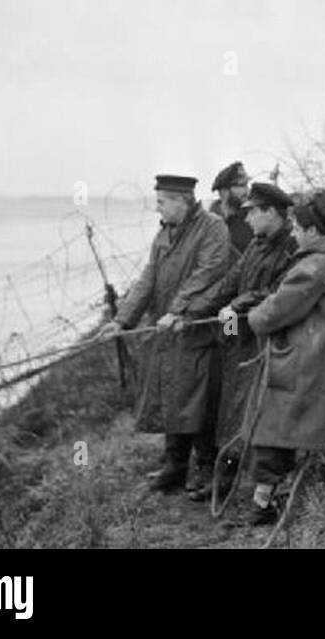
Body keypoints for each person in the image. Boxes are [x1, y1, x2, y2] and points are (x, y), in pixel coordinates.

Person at [99, 174, 235, 494]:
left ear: (180, 200)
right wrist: (121, 321)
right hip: (170, 333)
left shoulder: (213, 228)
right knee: (173, 398)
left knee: (199, 402)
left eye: (161, 202)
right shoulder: (164, 233)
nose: (157, 207)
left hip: (199, 329)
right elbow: (148, 279)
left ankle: (207, 469)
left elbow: (209, 272)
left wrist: (178, 310)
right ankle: (175, 466)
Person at [244, 190, 325, 526]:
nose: (293, 233)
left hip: (297, 361)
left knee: (273, 431)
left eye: (298, 228)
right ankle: (272, 497)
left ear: (313, 232)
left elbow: (274, 313)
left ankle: (262, 504)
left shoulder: (315, 265)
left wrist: (252, 316)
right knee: (288, 429)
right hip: (313, 358)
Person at [188, 181, 297, 503]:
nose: (246, 219)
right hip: (237, 335)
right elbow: (230, 282)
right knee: (231, 404)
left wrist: (236, 305)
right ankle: (227, 477)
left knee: (255, 409)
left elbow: (279, 291)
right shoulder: (256, 243)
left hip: (267, 340)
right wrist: (190, 313)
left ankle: (262, 484)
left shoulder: (291, 247)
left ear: (271, 213)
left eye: (252, 213)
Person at [209, 161, 254, 255]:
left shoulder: (251, 220)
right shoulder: (208, 224)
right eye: (241, 186)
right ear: (225, 192)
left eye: (247, 185)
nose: (247, 191)